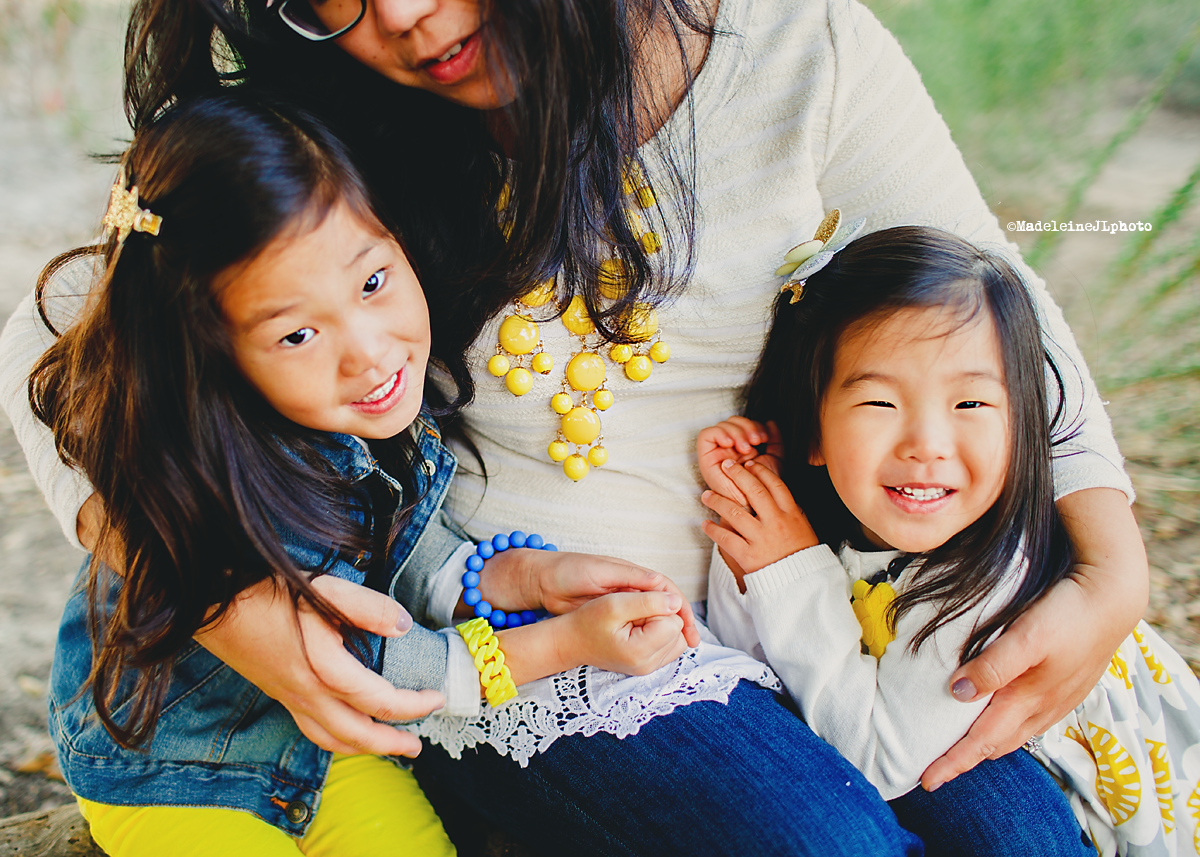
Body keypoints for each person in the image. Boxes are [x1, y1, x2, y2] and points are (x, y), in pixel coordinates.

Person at [0, 0, 1147, 852]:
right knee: (823, 846)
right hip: (540, 637)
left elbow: (991, 299)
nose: (398, 17)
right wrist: (219, 592)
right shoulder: (324, 131)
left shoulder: (796, 50)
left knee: (1025, 841)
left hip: (813, 591)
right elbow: (50, 352)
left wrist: (1114, 562)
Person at [29, 91, 703, 857]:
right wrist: (565, 645)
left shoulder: (364, 413)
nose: (368, 351)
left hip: (320, 744)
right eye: (298, 333)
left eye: (373, 281)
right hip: (173, 764)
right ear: (210, 356)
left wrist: (525, 577)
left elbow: (404, 551)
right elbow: (378, 672)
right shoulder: (231, 460)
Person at [700, 225, 1200, 857]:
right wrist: (756, 513)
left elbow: (878, 761)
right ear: (814, 433)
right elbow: (759, 661)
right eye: (880, 403)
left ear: (1023, 427)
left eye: (970, 404)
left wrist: (787, 564)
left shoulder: (987, 581)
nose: (927, 444)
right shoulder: (836, 527)